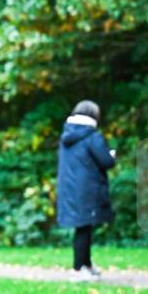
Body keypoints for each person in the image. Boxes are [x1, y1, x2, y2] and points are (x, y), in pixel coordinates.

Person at [56, 100, 116, 281]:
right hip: (87, 189)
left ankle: (86, 265)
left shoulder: (67, 134)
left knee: (83, 227)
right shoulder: (92, 137)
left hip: (70, 189)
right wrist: (112, 155)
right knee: (83, 229)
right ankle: (78, 269)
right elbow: (106, 162)